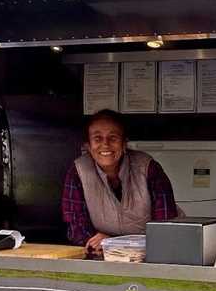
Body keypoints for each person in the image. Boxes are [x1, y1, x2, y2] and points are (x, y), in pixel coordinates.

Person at [61, 109, 177, 256]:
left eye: (113, 138)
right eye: (97, 138)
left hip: (150, 254)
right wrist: (97, 242)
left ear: (124, 144)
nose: (105, 145)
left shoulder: (148, 168)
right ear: (88, 146)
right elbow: (75, 225)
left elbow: (166, 226)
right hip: (102, 255)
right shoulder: (78, 171)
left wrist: (114, 243)